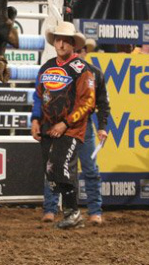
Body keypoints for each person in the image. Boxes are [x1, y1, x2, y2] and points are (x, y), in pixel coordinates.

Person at [31, 21, 95, 229]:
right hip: (48, 126)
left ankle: (72, 212)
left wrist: (66, 123)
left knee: (61, 165)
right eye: (58, 39)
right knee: (51, 169)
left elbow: (88, 102)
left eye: (65, 41)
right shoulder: (47, 66)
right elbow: (39, 96)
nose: (61, 44)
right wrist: (34, 119)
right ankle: (69, 212)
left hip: (71, 129)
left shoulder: (82, 69)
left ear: (73, 44)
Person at [41, 37, 110, 226]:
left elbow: (102, 103)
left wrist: (102, 127)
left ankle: (94, 211)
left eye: (82, 50)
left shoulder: (94, 73)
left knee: (87, 168)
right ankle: (51, 208)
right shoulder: (65, 70)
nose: (80, 54)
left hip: (81, 125)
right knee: (55, 166)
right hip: (63, 124)